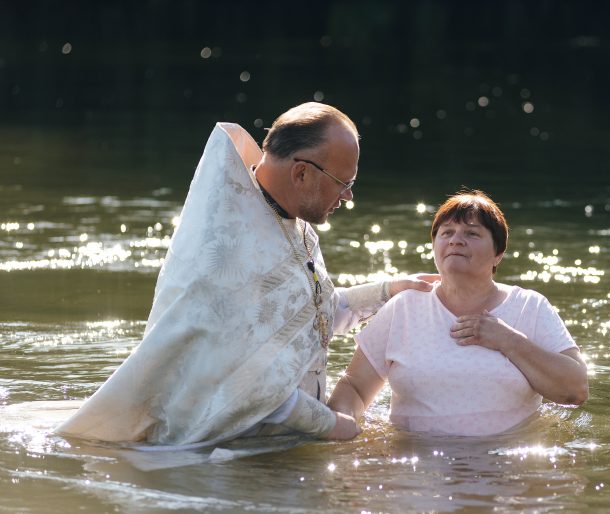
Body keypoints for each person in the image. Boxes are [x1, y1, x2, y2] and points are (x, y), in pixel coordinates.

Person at [55, 102, 435, 447]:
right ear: (302, 173)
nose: (348, 197)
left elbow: (309, 319)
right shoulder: (226, 253)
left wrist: (389, 290)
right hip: (210, 457)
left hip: (273, 448)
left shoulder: (293, 221)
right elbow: (249, 384)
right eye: (344, 183)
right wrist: (333, 425)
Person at [328, 190, 589, 436]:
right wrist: (344, 427)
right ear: (434, 247)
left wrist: (508, 341)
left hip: (504, 461)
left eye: (472, 233)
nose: (455, 240)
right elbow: (354, 388)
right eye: (447, 232)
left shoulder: (529, 307)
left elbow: (576, 389)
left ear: (498, 254)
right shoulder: (404, 308)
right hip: (414, 461)